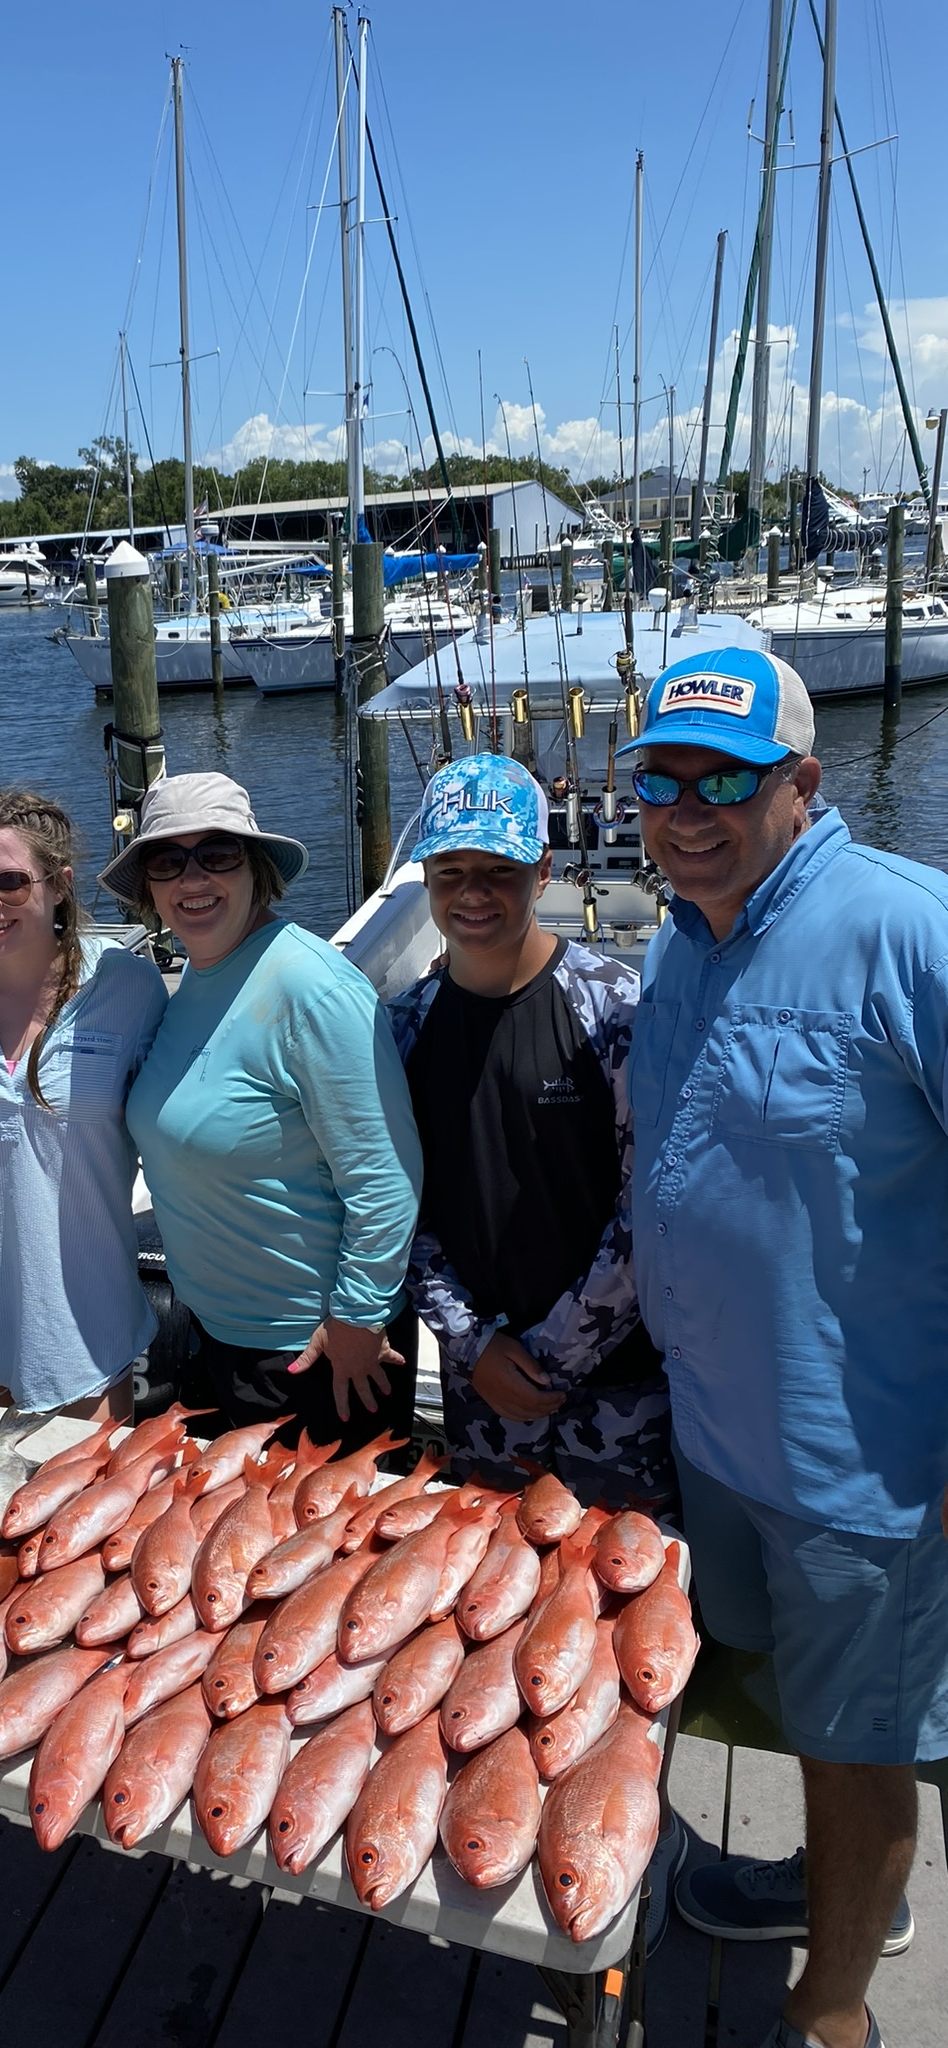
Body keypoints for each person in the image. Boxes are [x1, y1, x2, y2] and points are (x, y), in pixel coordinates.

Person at [622, 646, 948, 2048]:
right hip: (714, 1437)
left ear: (803, 783)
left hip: (860, 1466)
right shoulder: (674, 935)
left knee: (859, 1739)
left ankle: (836, 2015)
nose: (689, 809)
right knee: (770, 1697)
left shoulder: (908, 930)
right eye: (663, 779)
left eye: (728, 780)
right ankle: (818, 1887)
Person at [387, 753, 673, 1513]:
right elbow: (396, 1207)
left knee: (619, 1597)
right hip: (479, 1387)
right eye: (450, 870)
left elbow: (649, 1206)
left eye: (499, 869)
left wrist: (554, 1355)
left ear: (543, 871)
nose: (473, 893)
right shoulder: (403, 1030)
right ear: (424, 879)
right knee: (484, 1597)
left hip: (618, 1388)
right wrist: (472, 1344)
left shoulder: (616, 1011)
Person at [109, 772, 421, 1452]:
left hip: (314, 1354)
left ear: (255, 867)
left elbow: (385, 1175)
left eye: (217, 854)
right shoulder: (200, 972)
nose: (193, 880)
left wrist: (359, 1319)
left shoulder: (312, 987)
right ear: (150, 888)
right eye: (168, 860)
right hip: (219, 1333)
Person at [0, 788, 167, 1419]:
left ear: (60, 885)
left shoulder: (127, 986)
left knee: (78, 1512)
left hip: (87, 1322)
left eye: (10, 882)